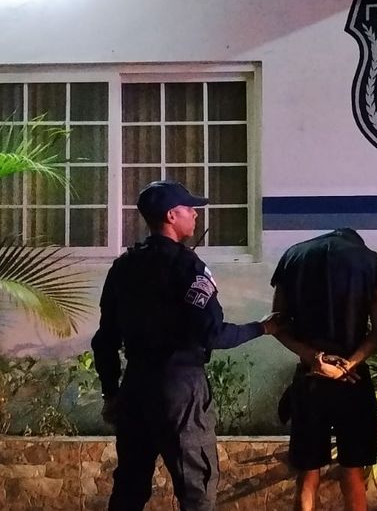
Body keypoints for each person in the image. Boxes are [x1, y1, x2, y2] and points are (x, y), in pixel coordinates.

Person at [91, 180, 278, 511]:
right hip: (180, 390)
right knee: (196, 489)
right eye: (189, 209)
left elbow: (105, 340)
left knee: (129, 489)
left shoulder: (123, 267)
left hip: (135, 388)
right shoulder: (189, 267)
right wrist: (262, 327)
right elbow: (213, 334)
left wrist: (111, 393)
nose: (195, 214)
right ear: (171, 215)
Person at [269, 228, 377, 511]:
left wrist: (315, 358)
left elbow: (277, 324)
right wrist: (348, 364)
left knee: (308, 472)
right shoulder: (371, 261)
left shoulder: (292, 257)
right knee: (352, 470)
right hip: (353, 380)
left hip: (309, 378)